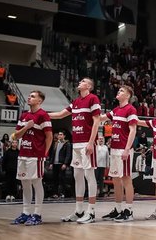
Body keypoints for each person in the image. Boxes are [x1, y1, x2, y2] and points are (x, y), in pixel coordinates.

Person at [49, 78, 101, 224]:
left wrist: (91, 142)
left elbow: (97, 121)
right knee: (77, 176)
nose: (79, 82)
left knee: (89, 175)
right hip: (76, 144)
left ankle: (91, 212)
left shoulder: (93, 98)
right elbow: (60, 114)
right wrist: (42, 114)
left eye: (83, 81)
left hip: (87, 143)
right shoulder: (76, 101)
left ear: (89, 86)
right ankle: (79, 211)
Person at [10, 90, 53, 226]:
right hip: (23, 154)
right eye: (29, 95)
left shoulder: (43, 115)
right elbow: (16, 136)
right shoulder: (24, 115)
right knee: (25, 184)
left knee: (36, 183)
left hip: (36, 156)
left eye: (33, 96)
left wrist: (44, 153)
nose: (29, 97)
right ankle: (26, 213)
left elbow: (49, 137)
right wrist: (26, 127)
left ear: (39, 100)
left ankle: (37, 214)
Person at [99, 85, 138, 222]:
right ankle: (118, 208)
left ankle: (129, 210)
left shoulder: (131, 109)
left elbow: (133, 130)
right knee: (116, 180)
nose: (118, 92)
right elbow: (101, 118)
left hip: (124, 149)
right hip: (114, 149)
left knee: (126, 179)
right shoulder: (115, 110)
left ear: (127, 96)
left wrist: (127, 149)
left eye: (122, 91)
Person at [47, 130, 72, 199]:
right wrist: (51, 163)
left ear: (64, 136)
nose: (59, 136)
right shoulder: (55, 143)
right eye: (59, 134)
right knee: (55, 179)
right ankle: (55, 193)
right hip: (55, 163)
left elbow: (68, 154)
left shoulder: (67, 144)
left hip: (61, 163)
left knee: (62, 179)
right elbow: (52, 154)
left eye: (61, 134)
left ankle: (62, 193)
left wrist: (65, 163)